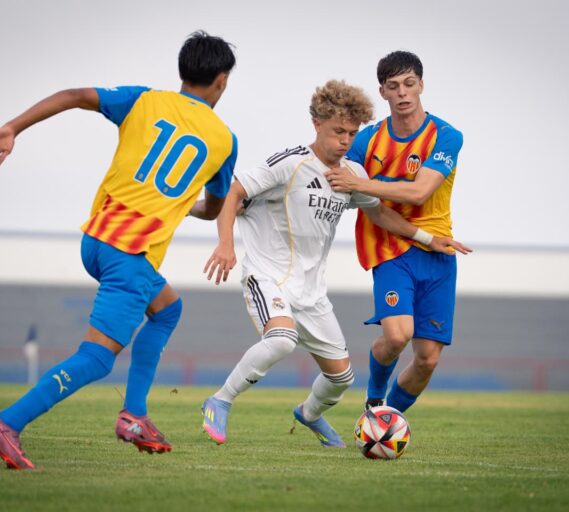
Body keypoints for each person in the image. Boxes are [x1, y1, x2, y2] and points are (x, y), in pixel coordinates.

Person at [0, 31, 237, 469]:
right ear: (221, 81)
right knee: (97, 359)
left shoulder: (144, 100)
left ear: (182, 71)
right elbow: (214, 208)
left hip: (96, 240)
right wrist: (186, 206)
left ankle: (134, 415)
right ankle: (6, 422)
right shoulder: (223, 140)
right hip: (131, 257)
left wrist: (12, 127)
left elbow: (75, 95)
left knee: (168, 308)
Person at [200, 80, 469, 447]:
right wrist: (226, 245)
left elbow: (381, 215)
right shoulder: (291, 163)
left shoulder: (352, 175)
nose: (345, 140)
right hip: (267, 277)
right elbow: (233, 193)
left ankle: (309, 413)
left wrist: (426, 238)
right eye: (338, 131)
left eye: (352, 133)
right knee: (281, 340)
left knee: (341, 378)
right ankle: (219, 401)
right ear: (317, 124)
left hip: (311, 292)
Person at [325, 51, 469, 414]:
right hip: (389, 247)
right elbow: (331, 174)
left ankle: (390, 418)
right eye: (393, 87)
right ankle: (374, 404)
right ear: (383, 92)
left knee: (427, 359)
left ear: (421, 85)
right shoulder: (366, 142)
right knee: (397, 335)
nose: (403, 93)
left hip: (438, 250)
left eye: (409, 84)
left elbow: (420, 191)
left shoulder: (446, 136)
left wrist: (363, 183)